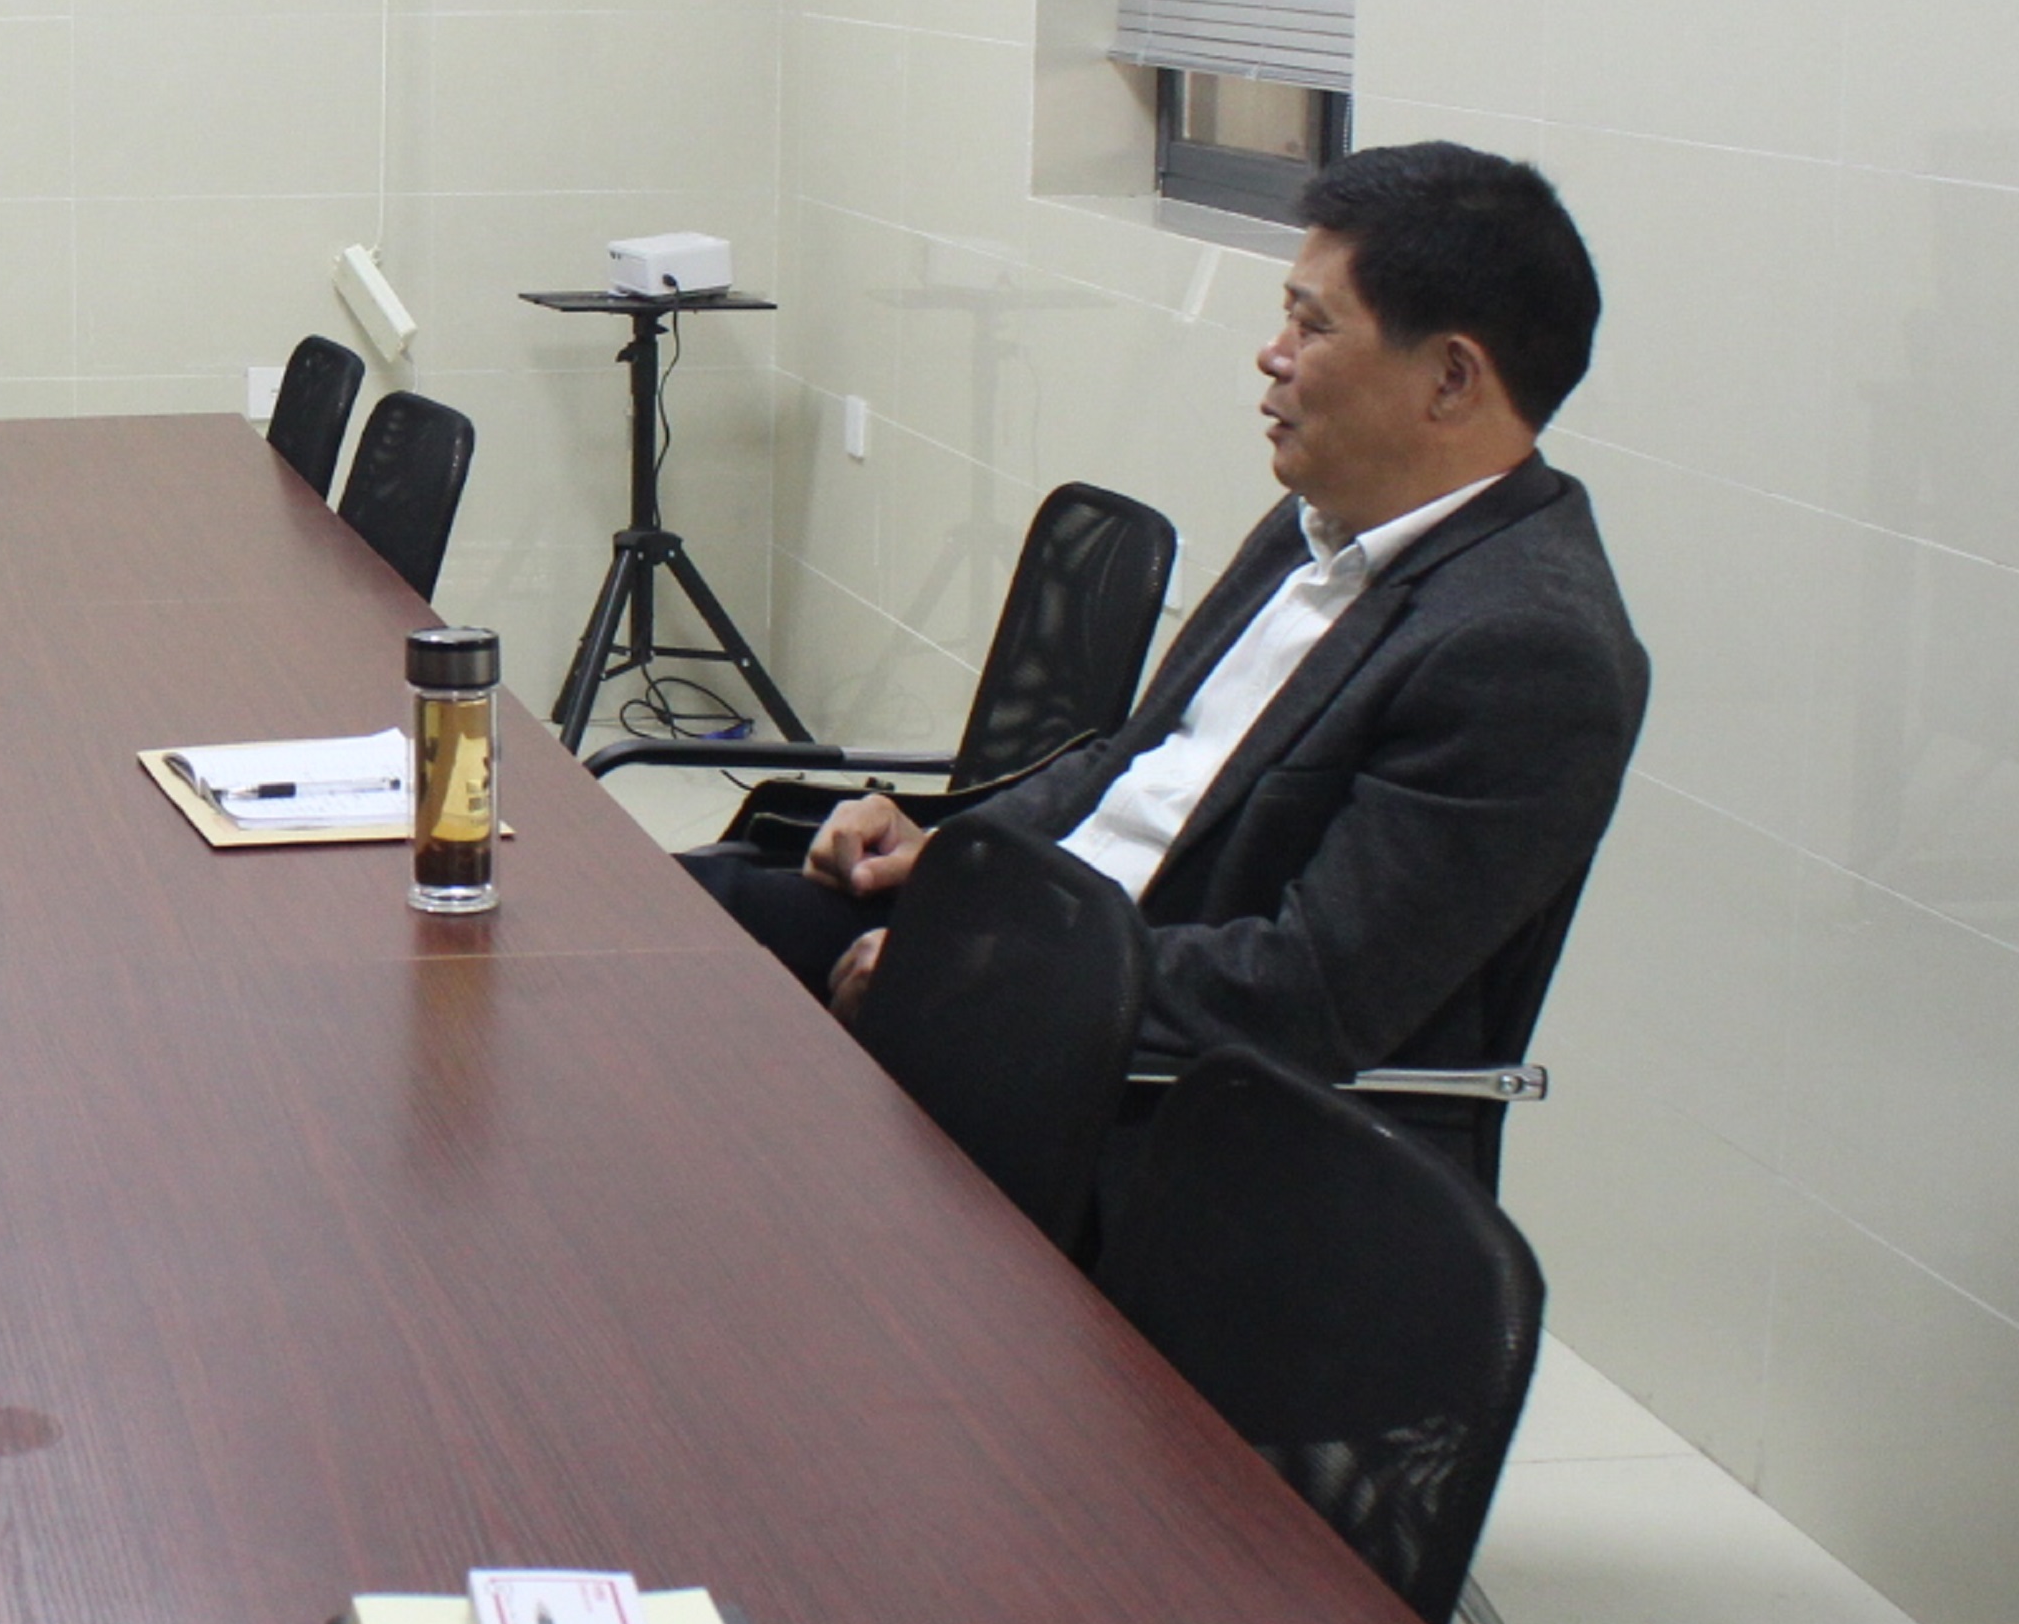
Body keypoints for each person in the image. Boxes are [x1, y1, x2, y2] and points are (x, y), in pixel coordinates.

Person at [687, 141, 1648, 1084]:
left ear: (1451, 378)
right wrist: (942, 851)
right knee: (673, 920)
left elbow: (1309, 992)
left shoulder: (1525, 650)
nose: (1272, 355)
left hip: (1135, 1069)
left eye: (1312, 327)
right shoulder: (1317, 521)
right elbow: (1128, 765)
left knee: (690, 1071)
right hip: (1036, 939)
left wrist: (981, 968)